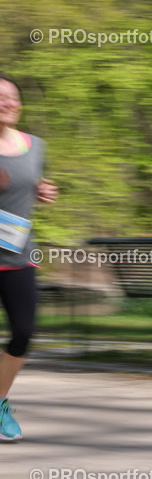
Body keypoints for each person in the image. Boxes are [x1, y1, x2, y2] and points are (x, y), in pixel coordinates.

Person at [0, 73, 58, 442]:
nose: (9, 102)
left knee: (23, 331)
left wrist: (42, 191)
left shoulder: (36, 145)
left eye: (13, 96)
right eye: (1, 96)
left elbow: (28, 186)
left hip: (18, 252)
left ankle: (0, 401)